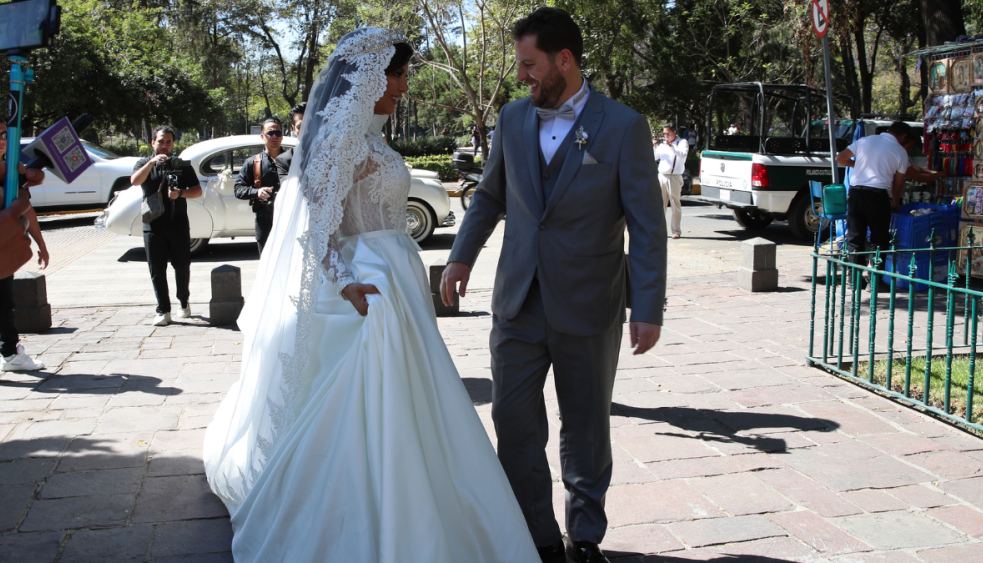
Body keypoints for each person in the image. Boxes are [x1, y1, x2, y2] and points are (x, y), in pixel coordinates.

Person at [203, 28, 539, 563]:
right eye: (400, 74)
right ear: (373, 76)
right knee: (368, 396)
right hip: (369, 285)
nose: (404, 86)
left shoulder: (369, 136)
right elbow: (315, 226)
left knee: (415, 394)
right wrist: (344, 281)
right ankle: (375, 509)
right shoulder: (343, 141)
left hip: (397, 275)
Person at [440, 8, 666, 563]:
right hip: (516, 302)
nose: (522, 77)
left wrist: (648, 304)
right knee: (513, 422)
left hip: (591, 302)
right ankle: (537, 538)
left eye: (530, 65)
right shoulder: (514, 120)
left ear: (564, 60)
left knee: (586, 428)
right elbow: (491, 195)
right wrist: (460, 257)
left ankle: (584, 538)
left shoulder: (623, 126)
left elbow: (646, 223)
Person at [0, 117, 49, 372]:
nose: (0, 139)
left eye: (4, 134)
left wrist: (41, 243)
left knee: (4, 301)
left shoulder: (12, 170)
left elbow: (26, 209)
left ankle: (10, 353)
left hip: (2, 249)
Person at [130, 126, 203, 326]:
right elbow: (135, 181)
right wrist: (151, 163)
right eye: (161, 141)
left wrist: (179, 194)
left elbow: (197, 191)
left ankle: (183, 302)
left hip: (178, 223)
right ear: (153, 142)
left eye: (169, 142)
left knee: (181, 266)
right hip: (153, 225)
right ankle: (163, 310)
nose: (164, 145)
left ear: (173, 144)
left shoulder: (180, 164)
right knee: (157, 269)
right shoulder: (144, 162)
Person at [836, 121, 914, 265]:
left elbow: (840, 158)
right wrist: (895, 202)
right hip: (877, 196)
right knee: (879, 238)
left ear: (889, 130)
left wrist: (856, 164)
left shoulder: (865, 140)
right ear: (904, 136)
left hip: (855, 193)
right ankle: (874, 278)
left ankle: (853, 276)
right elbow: (898, 184)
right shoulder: (900, 151)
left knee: (855, 237)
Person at [234, 117, 285, 255]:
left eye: (278, 133)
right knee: (266, 259)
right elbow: (238, 189)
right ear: (263, 136)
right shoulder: (253, 162)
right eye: (270, 133)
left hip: (288, 216)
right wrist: (257, 192)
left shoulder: (292, 159)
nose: (274, 136)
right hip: (264, 217)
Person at [656, 123, 689, 239]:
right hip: (662, 176)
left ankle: (676, 230)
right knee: (660, 205)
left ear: (674, 132)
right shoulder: (663, 145)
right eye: (664, 133)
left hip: (674, 177)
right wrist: (654, 146)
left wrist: (671, 146)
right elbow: (654, 156)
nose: (666, 136)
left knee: (675, 204)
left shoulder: (682, 142)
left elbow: (683, 154)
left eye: (668, 133)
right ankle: (659, 231)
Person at [274, 102, 305, 177]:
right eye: (300, 127)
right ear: (293, 129)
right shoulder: (284, 160)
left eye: (309, 125)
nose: (305, 131)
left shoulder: (331, 154)